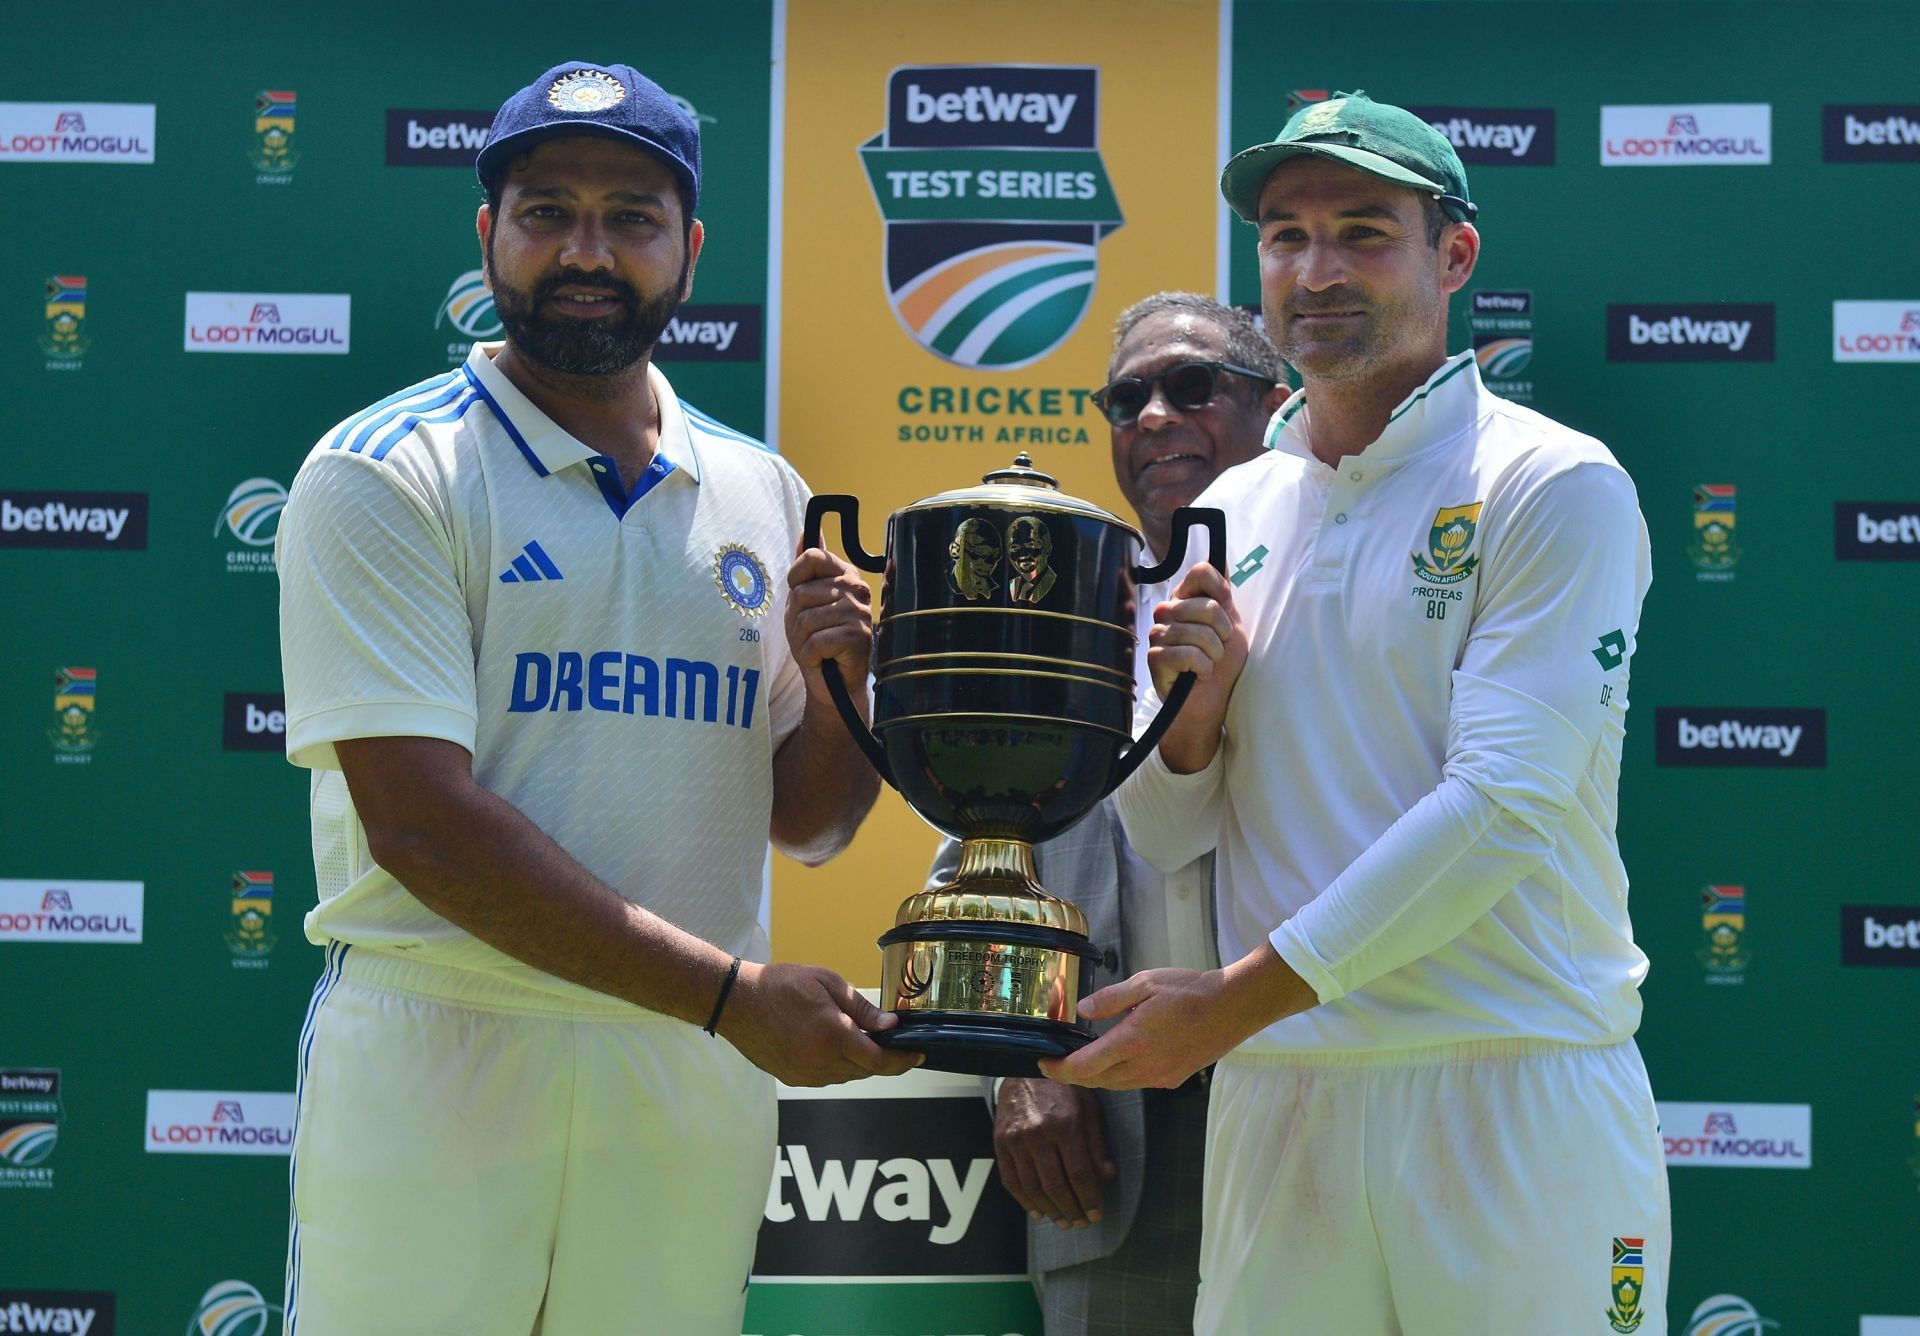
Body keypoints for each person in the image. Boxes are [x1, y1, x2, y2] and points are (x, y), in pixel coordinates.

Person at [274, 60, 917, 1335]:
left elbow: (808, 823)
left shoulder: (759, 489)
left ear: (688, 248)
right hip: (451, 1044)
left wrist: (847, 687)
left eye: (630, 216)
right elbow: (419, 827)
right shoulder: (385, 473)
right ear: (488, 237)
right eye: (546, 210)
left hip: (681, 1067)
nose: (586, 249)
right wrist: (732, 996)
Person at [1042, 92, 1668, 1334]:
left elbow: (1501, 811)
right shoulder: (1234, 512)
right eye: (1285, 236)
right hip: (1281, 1095)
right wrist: (1192, 727)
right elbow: (1170, 836)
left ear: (1455, 255)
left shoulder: (1550, 479)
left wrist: (1232, 1002)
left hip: (1508, 1081)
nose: (1315, 271)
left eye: (1363, 232)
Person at [928, 293, 1283, 1335]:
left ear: (1274, 404)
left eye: (1192, 386)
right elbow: (977, 862)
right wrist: (1019, 1067)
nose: (1157, 416)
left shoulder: (1340, 581)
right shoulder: (1056, 603)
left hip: (1324, 1093)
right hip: (1118, 1137)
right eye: (1128, 398)